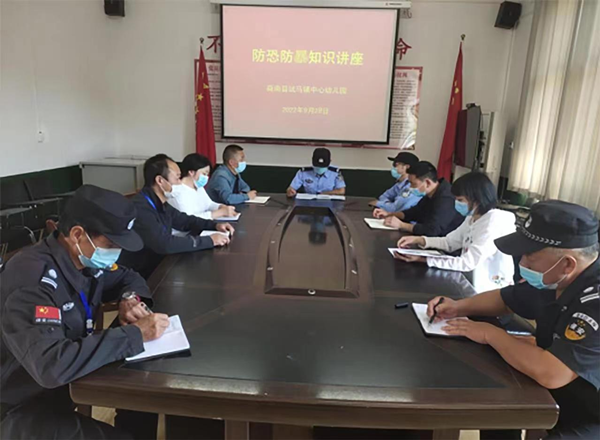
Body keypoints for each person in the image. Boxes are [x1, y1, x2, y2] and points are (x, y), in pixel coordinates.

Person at [0, 185, 170, 439]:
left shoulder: (83, 261)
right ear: (78, 234)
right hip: (20, 409)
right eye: (111, 244)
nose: (116, 253)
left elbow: (129, 278)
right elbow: (51, 365)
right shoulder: (31, 280)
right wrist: (134, 334)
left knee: (144, 401)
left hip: (64, 389)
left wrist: (129, 299)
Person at [427, 200, 599, 439]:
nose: (522, 263)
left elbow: (552, 373)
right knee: (498, 401)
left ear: (567, 264)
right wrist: (457, 307)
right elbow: (507, 299)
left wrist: (489, 333)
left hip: (590, 413)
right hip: (560, 389)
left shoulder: (594, 301)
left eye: (530, 256)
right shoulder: (558, 278)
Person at [395, 172, 516, 293]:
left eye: (460, 200)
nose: (456, 203)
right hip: (471, 282)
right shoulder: (472, 218)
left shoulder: (493, 222)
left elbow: (467, 263)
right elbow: (449, 242)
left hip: (491, 290)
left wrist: (424, 259)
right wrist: (419, 240)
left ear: (476, 199)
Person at [118, 154, 234, 279]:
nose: (180, 183)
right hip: (142, 273)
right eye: (178, 178)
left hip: (160, 264)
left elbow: (184, 220)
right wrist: (210, 240)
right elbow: (164, 244)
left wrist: (214, 225)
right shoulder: (141, 207)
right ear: (160, 181)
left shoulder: (160, 202)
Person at [374, 161, 463, 236]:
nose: (410, 187)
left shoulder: (446, 198)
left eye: (414, 184)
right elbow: (415, 212)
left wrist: (401, 225)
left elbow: (432, 230)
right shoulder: (431, 192)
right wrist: (390, 214)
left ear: (427, 183)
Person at [168, 153, 238, 220]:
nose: (206, 177)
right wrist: (219, 213)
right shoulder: (178, 191)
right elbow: (189, 219)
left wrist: (221, 207)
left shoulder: (198, 187)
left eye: (207, 174)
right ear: (191, 172)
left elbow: (209, 204)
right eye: (204, 174)